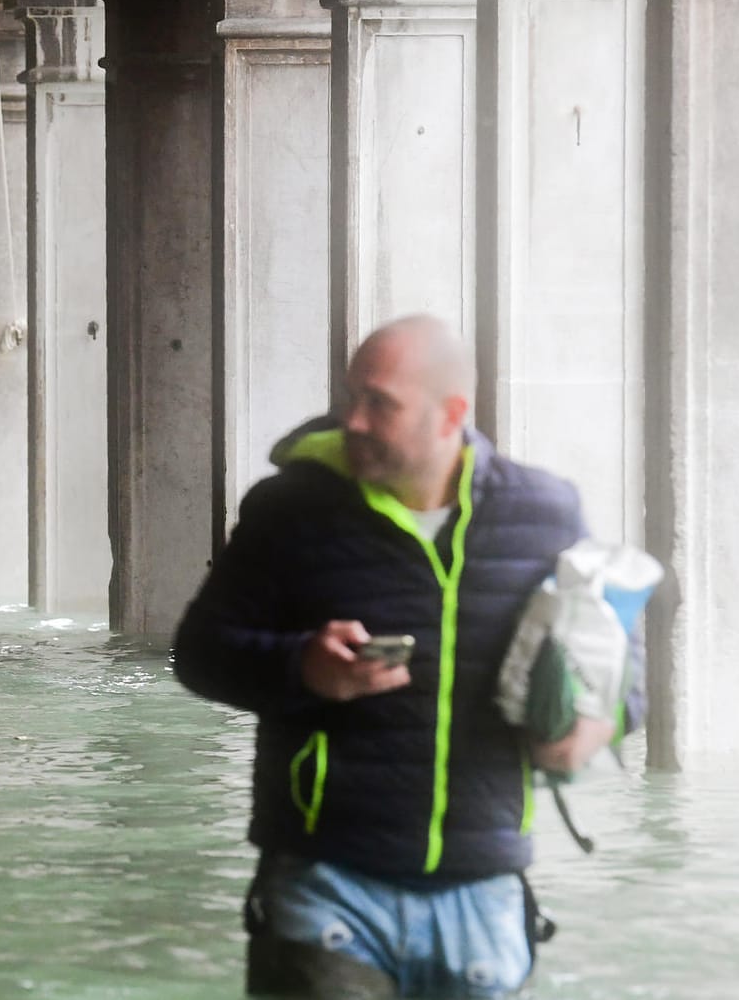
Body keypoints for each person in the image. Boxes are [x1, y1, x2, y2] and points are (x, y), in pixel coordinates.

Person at [171, 316, 632, 999]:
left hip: (486, 896)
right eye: (350, 394)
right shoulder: (288, 510)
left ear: (451, 413)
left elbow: (616, 668)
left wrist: (593, 728)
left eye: (378, 402)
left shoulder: (545, 513)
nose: (352, 419)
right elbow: (199, 653)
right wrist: (303, 666)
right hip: (326, 885)